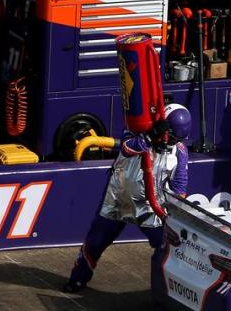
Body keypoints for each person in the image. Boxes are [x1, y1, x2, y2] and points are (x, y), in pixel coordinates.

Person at [62, 104, 192, 293]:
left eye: (175, 139)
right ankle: (77, 279)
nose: (170, 142)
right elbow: (126, 149)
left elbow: (180, 186)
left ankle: (166, 289)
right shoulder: (137, 128)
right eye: (170, 137)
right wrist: (149, 137)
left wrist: (176, 212)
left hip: (151, 207)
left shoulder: (179, 151)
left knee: (168, 247)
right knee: (95, 242)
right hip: (118, 198)